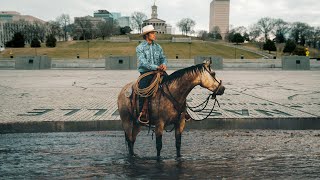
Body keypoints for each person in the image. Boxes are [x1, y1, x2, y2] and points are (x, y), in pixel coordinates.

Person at [136, 25, 167, 123]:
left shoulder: (158, 47)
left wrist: (164, 64)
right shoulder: (140, 48)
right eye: (152, 33)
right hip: (146, 73)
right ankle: (142, 112)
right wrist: (156, 67)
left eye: (154, 33)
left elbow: (163, 58)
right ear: (146, 35)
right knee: (143, 89)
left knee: (173, 84)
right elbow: (143, 62)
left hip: (159, 72)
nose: (154, 35)